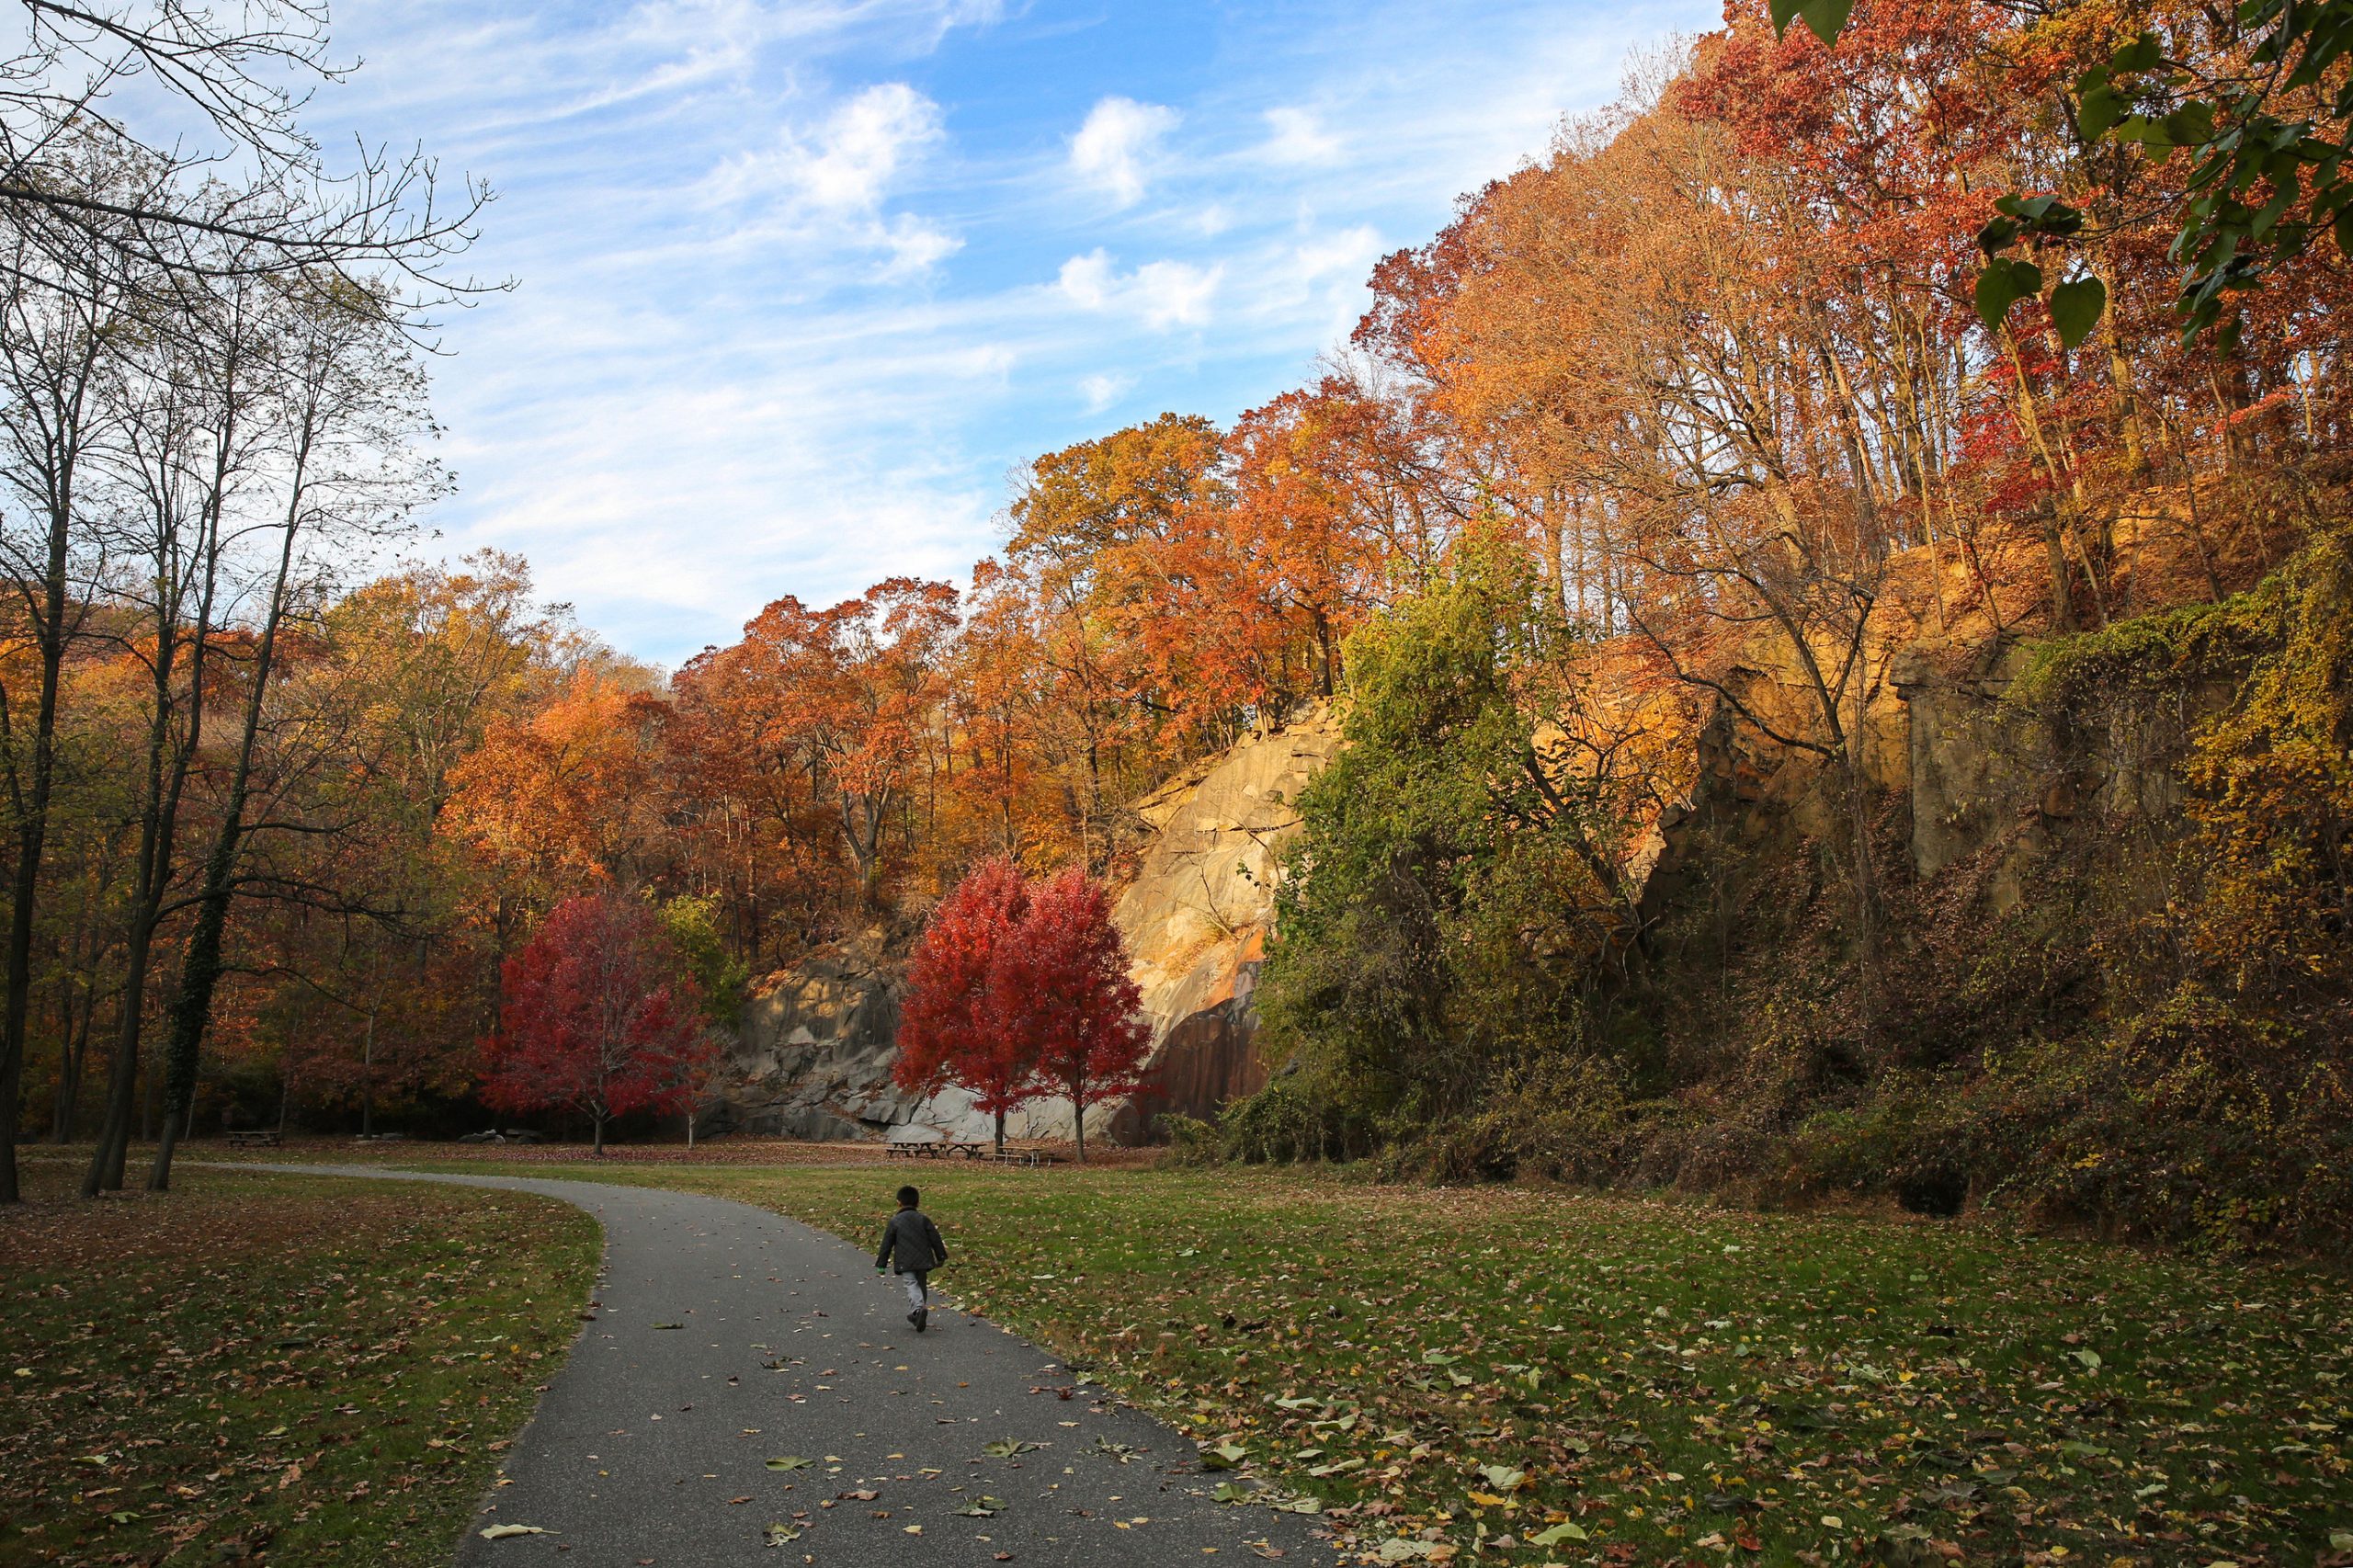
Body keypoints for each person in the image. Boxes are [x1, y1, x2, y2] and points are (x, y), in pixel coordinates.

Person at [875, 1184, 949, 1333]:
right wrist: (940, 1257)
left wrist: (881, 1264)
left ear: (898, 1203)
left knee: (911, 1284)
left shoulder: (895, 1221)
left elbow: (886, 1244)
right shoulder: (923, 1219)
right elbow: (935, 1238)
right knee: (921, 1285)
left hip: (905, 1261)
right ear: (918, 1202)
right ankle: (919, 1311)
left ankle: (918, 1310)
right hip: (924, 1260)